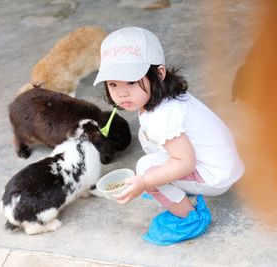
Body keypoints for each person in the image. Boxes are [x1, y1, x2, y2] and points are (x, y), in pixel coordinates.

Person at [93, 27, 245, 245]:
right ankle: (172, 187)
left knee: (147, 169)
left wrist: (146, 182)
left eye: (132, 82)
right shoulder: (165, 97)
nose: (122, 92)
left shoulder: (162, 116)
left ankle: (189, 218)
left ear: (160, 73)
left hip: (215, 175)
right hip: (221, 163)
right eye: (113, 84)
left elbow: (185, 162)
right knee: (151, 150)